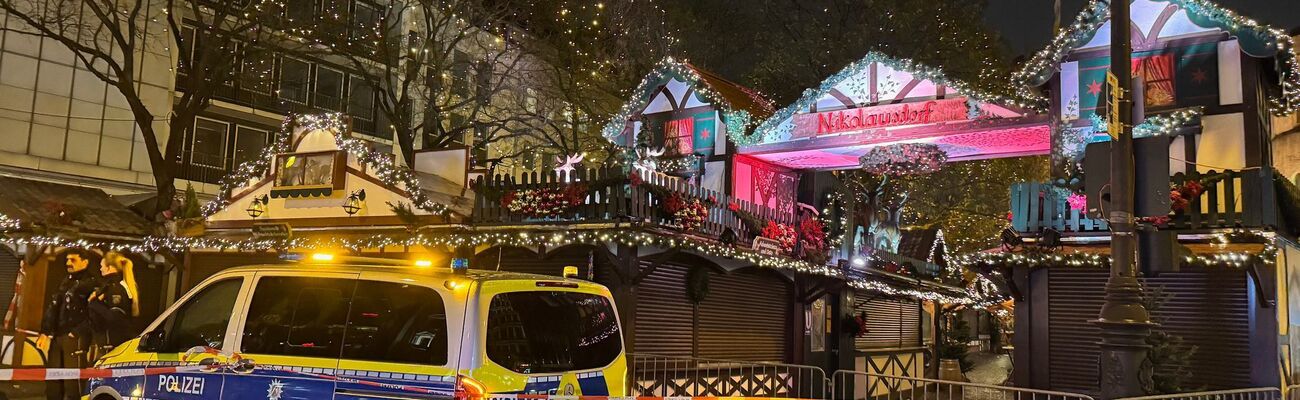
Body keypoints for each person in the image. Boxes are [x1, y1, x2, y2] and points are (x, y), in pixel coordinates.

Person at [38, 248, 101, 400]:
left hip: (75, 337)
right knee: (53, 378)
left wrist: (78, 332)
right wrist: (45, 331)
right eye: (67, 260)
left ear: (84, 262)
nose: (68, 263)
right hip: (57, 335)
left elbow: (95, 312)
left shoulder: (91, 283)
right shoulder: (66, 281)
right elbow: (54, 306)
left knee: (73, 381)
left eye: (73, 260)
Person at [88, 252, 139, 352]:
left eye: (102, 266)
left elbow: (115, 317)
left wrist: (93, 303)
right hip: (109, 341)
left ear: (110, 267)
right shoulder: (111, 285)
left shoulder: (115, 287)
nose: (100, 269)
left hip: (112, 343)